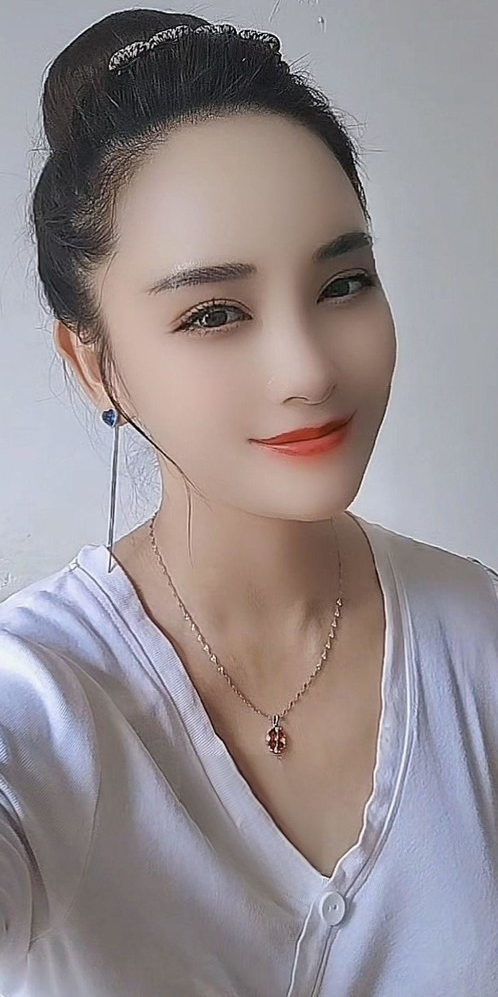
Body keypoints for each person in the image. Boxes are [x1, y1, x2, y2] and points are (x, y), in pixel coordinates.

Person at [1, 7, 498, 996]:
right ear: (93, 365)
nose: (308, 370)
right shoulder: (41, 693)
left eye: (343, 283)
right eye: (215, 312)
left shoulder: (477, 640)